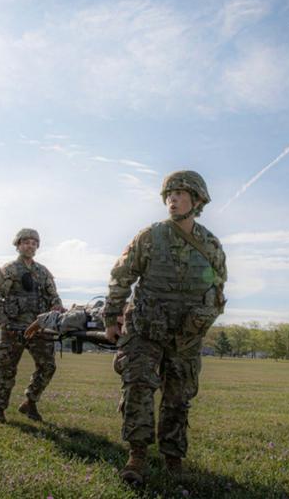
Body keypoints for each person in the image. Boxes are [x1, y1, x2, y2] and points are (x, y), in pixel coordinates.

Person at [103, 170, 227, 484]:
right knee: (139, 388)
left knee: (178, 397)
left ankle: (174, 459)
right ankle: (137, 455)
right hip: (145, 328)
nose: (173, 199)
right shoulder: (150, 236)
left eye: (181, 194)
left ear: (197, 200)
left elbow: (218, 289)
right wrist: (111, 318)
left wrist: (200, 320)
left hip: (186, 336)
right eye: (170, 194)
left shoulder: (210, 244)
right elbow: (122, 277)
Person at [0, 228, 64, 423]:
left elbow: (54, 298)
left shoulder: (43, 272)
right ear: (18, 245)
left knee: (48, 366)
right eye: (26, 242)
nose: (30, 246)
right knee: (6, 370)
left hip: (38, 328)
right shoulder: (8, 270)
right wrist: (3, 321)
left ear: (37, 247)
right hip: (13, 329)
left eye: (34, 243)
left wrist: (57, 310)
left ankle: (30, 402)